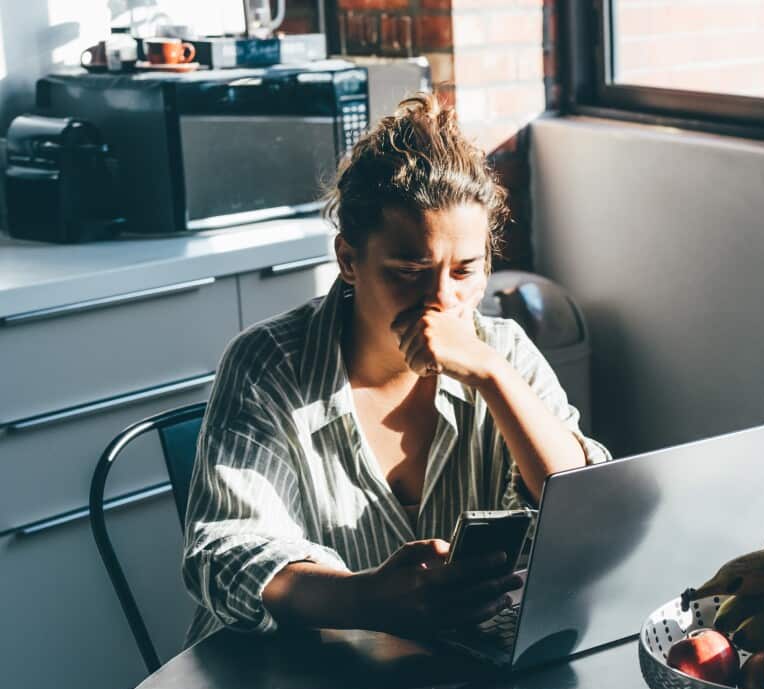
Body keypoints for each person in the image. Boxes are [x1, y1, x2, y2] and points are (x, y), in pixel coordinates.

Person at [180, 93, 610, 648]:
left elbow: (584, 511)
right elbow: (224, 552)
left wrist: (492, 377)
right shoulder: (268, 364)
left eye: (465, 271)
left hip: (451, 674)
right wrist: (364, 599)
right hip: (287, 677)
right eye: (409, 270)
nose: (440, 300)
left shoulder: (502, 350)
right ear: (348, 260)